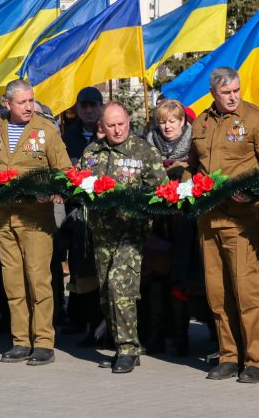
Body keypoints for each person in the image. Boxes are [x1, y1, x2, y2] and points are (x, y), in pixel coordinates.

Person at [187, 67, 259, 383]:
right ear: (214, 94)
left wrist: (252, 190)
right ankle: (229, 356)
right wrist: (187, 185)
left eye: (236, 90)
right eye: (226, 93)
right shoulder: (201, 122)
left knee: (246, 293)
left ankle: (257, 361)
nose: (233, 97)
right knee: (217, 294)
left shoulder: (254, 119)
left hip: (240, 221)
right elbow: (193, 166)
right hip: (208, 220)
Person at [0, 79, 71, 366]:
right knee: (13, 282)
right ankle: (20, 340)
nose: (29, 107)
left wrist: (56, 190)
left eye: (31, 101)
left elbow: (64, 170)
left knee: (38, 280)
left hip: (36, 219)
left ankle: (43, 342)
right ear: (8, 104)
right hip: (4, 218)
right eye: (22, 102)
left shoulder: (46, 130)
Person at [79, 102, 166, 373]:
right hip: (102, 235)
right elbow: (79, 183)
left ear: (128, 121)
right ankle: (121, 344)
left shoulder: (143, 151)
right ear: (101, 127)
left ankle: (129, 348)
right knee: (106, 292)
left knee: (120, 285)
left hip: (132, 233)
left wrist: (139, 205)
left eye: (122, 123)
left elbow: (161, 189)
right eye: (111, 125)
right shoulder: (92, 152)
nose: (118, 130)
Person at [144, 98, 198, 357]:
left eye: (172, 122)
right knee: (156, 278)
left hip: (183, 223)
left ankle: (180, 336)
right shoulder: (148, 147)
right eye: (163, 122)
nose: (167, 127)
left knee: (180, 279)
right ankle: (155, 335)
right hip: (157, 224)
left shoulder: (193, 147)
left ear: (182, 122)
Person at [59, 86, 103, 345]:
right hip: (77, 217)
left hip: (105, 215)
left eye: (93, 106)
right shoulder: (68, 139)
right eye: (83, 106)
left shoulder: (110, 134)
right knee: (82, 276)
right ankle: (87, 325)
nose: (88, 110)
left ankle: (103, 329)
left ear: (100, 107)